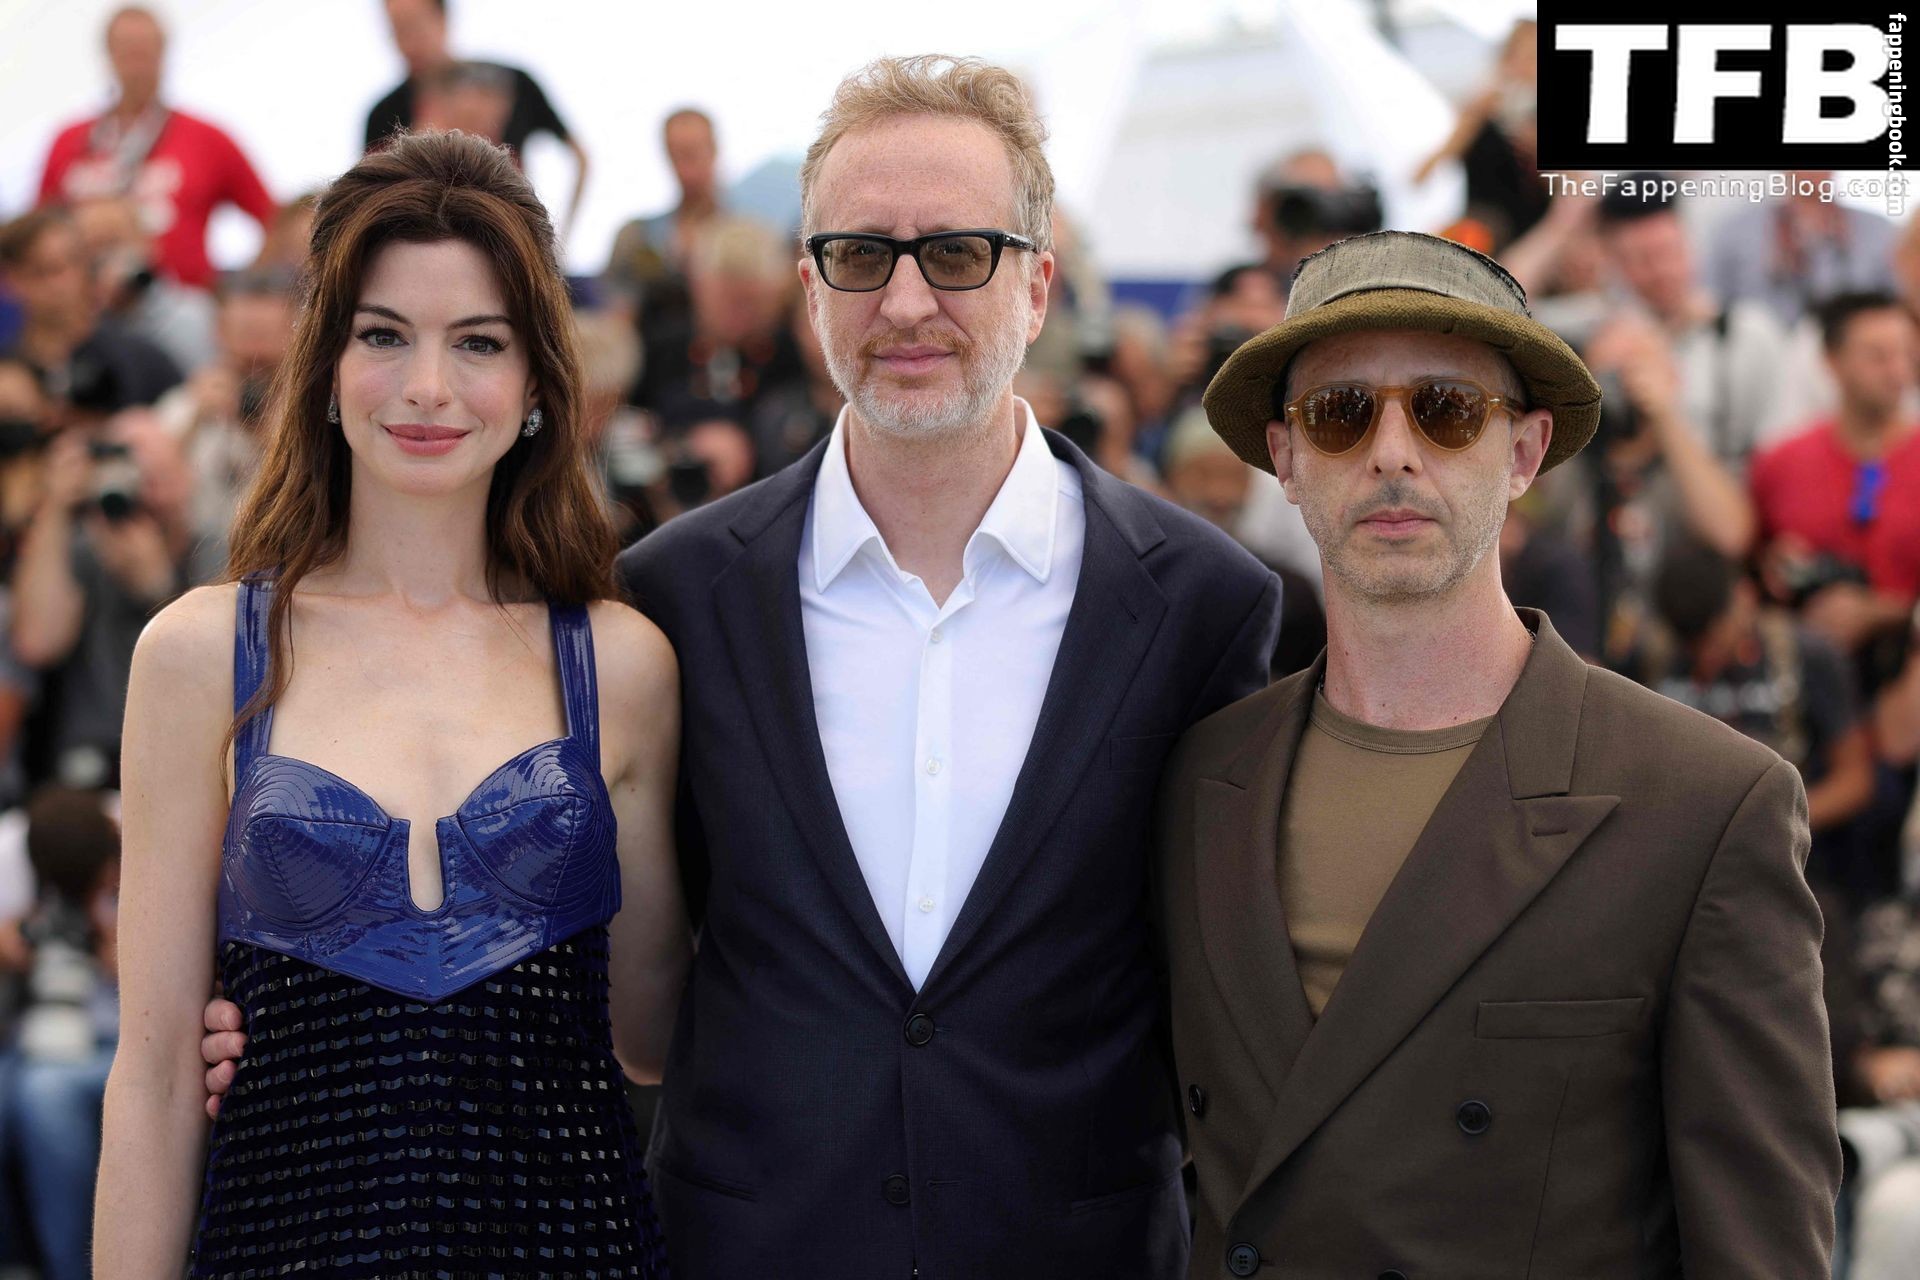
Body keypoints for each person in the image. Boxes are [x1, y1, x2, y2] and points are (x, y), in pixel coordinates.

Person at [611, 55, 1277, 1277]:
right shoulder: (673, 594)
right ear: (809, 288)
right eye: (862, 254)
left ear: (1039, 286)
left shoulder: (1202, 604)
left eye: (959, 252)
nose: (907, 301)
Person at [1160, 230, 1839, 1276]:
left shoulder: (1705, 804)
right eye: (1341, 412)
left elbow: (1760, 1245)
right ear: (1285, 458)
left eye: (1446, 409)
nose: (1393, 452)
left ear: (1524, 452)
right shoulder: (1199, 781)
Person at [93, 130, 686, 1278]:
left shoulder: (623, 666)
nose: (427, 386)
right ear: (324, 364)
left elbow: (655, 1035)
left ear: (536, 384)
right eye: (383, 335)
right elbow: (156, 1074)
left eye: (478, 342)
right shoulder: (201, 655)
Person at [37, 6, 275, 292]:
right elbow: (36, 236)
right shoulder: (70, 141)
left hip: (181, 301)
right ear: (109, 55)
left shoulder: (207, 139)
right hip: (85, 304)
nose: (137, 64)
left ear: (163, 54)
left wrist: (239, 290)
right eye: (127, 50)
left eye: (145, 51)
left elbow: (275, 221)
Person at [1750, 291, 1920, 664]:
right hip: (1803, 666)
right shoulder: (1781, 461)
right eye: (1878, 356)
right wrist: (1774, 570)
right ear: (1831, 361)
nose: (1898, 371)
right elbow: (1749, 566)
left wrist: (1879, 612)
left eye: (1908, 354)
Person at [364, 0, 588, 236]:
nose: (408, 42)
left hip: (506, 236)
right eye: (396, 30)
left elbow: (581, 157)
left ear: (442, 19)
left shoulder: (512, 83)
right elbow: (368, 200)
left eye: (415, 26)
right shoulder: (383, 114)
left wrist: (561, 240)